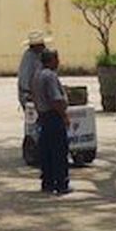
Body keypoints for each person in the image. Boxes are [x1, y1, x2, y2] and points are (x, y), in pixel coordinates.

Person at [31, 49, 71, 195]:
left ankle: (47, 182)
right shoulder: (50, 76)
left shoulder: (36, 75)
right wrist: (64, 115)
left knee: (46, 152)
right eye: (57, 59)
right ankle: (61, 184)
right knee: (59, 152)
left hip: (43, 116)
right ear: (52, 60)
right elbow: (56, 100)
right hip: (53, 117)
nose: (59, 62)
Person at [17, 31, 49, 109]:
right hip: (29, 96)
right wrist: (30, 95)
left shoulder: (40, 56)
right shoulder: (29, 58)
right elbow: (24, 81)